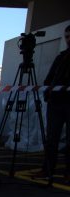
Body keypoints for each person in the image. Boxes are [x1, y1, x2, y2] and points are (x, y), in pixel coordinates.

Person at [33, 25, 70, 183]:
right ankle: (47, 169)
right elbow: (50, 78)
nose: (69, 39)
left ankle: (68, 172)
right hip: (56, 102)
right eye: (67, 36)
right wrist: (48, 93)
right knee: (51, 138)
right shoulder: (61, 57)